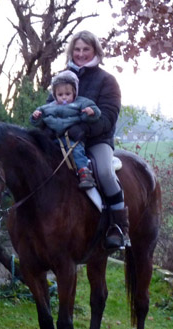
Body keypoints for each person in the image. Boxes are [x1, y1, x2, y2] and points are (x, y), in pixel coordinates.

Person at [63, 30, 129, 250]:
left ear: (95, 51)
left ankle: (118, 227)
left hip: (96, 141)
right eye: (77, 49)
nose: (81, 54)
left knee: (104, 173)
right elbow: (50, 105)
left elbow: (109, 117)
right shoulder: (62, 77)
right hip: (64, 140)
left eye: (86, 49)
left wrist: (83, 130)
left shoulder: (107, 80)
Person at [30, 70, 100, 190]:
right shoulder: (49, 106)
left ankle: (84, 173)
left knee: (77, 151)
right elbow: (39, 118)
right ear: (55, 95)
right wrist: (36, 116)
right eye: (60, 94)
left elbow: (94, 112)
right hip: (55, 137)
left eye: (67, 94)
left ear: (74, 93)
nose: (64, 97)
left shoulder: (81, 103)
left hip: (71, 137)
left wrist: (91, 112)